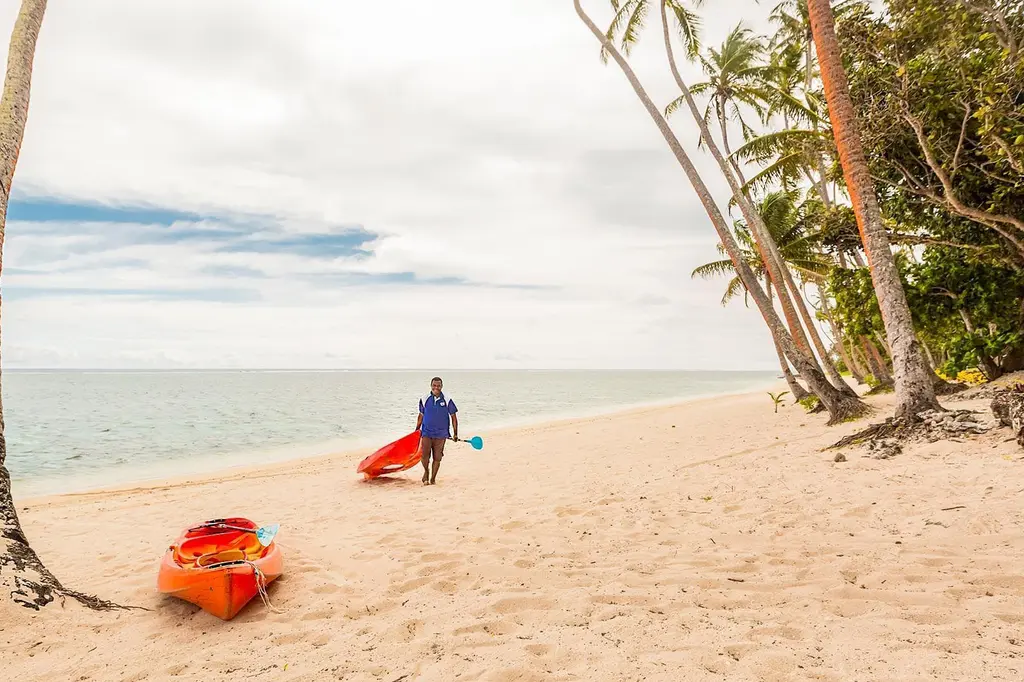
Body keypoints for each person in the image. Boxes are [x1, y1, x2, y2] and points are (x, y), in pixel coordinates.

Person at [415, 376, 458, 485]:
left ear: (441, 386)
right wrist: (416, 430)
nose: (436, 388)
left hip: (441, 433)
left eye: (438, 386)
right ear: (431, 386)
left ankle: (433, 478)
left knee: (437, 457)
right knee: (424, 456)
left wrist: (455, 433)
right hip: (426, 432)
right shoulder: (424, 398)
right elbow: (421, 415)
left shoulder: (447, 399)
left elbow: (453, 416)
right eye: (434, 385)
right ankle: (426, 471)